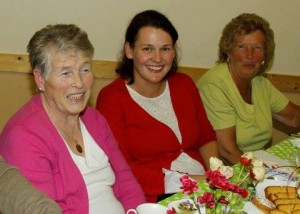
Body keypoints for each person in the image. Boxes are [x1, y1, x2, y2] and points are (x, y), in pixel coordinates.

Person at [0, 24, 145, 214]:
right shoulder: (23, 136)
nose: (79, 83)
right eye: (66, 73)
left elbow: (126, 181)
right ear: (40, 79)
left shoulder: (94, 119)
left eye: (85, 70)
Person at [96, 10, 218, 202]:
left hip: (205, 190)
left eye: (165, 49)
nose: (158, 58)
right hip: (155, 198)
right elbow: (121, 168)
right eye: (147, 49)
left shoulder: (184, 84)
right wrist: (191, 182)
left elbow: (206, 138)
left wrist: (217, 177)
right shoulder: (112, 98)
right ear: (129, 50)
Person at [197, 13, 300, 165]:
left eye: (257, 47)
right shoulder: (215, 85)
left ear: (265, 54)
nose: (250, 55)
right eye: (242, 46)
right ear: (228, 50)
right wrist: (264, 174)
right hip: (226, 173)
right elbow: (227, 151)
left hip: (256, 165)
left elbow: (294, 117)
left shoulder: (260, 83)